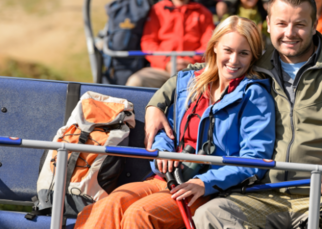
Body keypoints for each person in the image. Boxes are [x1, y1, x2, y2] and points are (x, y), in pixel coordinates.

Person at [144, 0, 322, 228]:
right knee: (209, 216)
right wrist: (156, 104)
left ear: (315, 24)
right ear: (268, 24)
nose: (289, 33)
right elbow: (203, 70)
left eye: (300, 24)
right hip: (258, 194)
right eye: (281, 23)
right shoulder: (255, 61)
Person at [74, 16, 275, 229]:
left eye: (243, 53)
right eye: (228, 50)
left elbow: (254, 160)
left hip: (209, 189)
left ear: (252, 56)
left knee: (140, 215)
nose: (234, 60)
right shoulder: (190, 83)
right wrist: (163, 152)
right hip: (166, 179)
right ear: (215, 47)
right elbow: (166, 130)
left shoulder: (254, 96)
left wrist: (203, 183)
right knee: (110, 204)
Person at [125, 0, 215, 88]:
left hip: (194, 71)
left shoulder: (203, 13)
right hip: (162, 70)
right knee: (135, 81)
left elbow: (208, 44)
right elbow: (148, 42)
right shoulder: (157, 10)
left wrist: (191, 62)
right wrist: (167, 63)